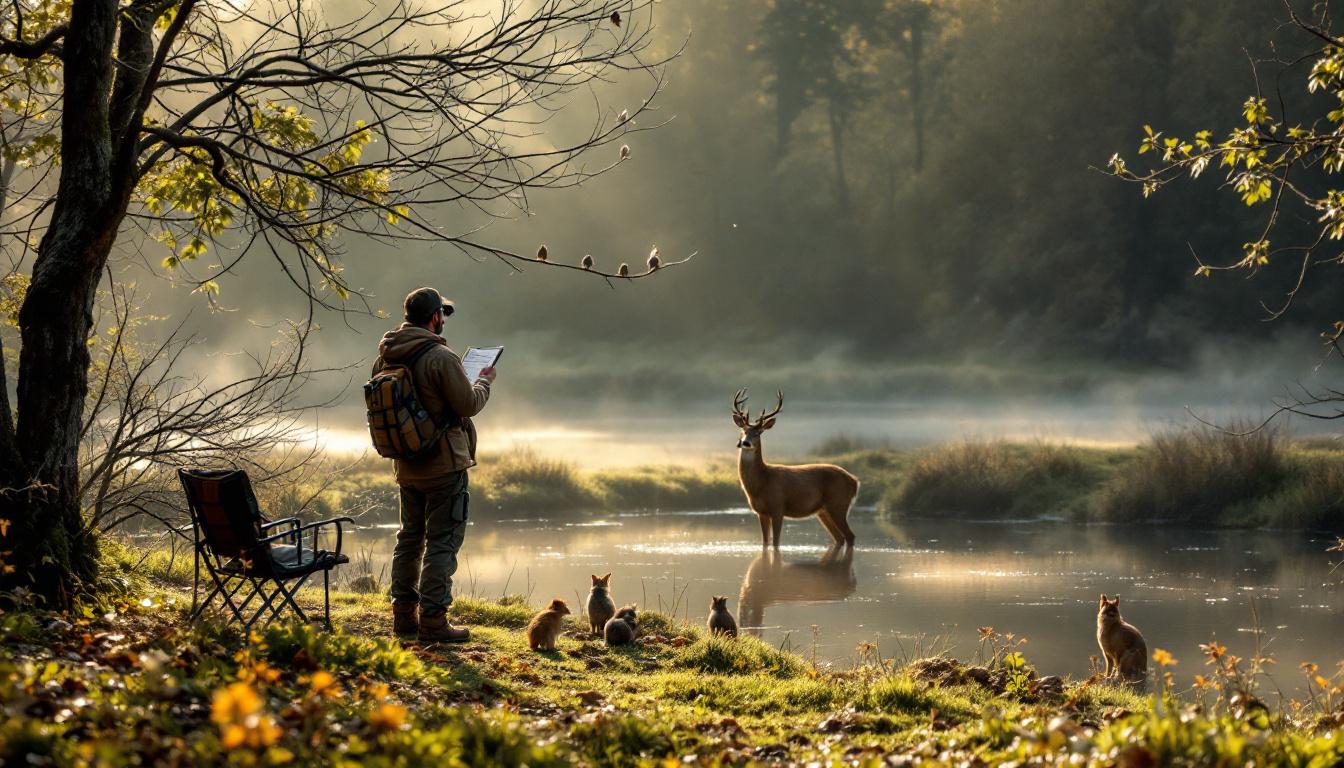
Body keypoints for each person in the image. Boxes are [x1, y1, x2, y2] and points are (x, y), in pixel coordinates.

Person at [372, 287, 496, 642]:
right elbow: (468, 405)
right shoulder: (441, 357)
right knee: (442, 542)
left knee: (409, 539)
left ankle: (403, 617)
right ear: (434, 317)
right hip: (443, 465)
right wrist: (483, 381)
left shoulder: (385, 356)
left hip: (406, 465)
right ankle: (434, 620)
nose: (443, 320)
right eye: (442, 314)